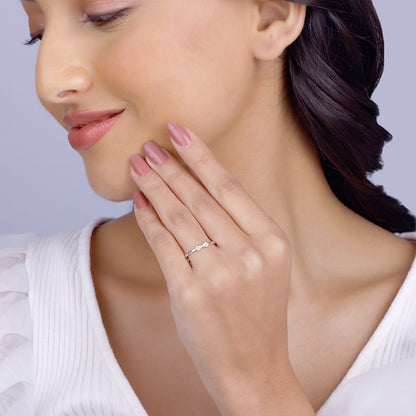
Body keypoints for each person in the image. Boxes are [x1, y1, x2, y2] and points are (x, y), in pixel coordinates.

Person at [1, 0, 416, 415]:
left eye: (105, 15)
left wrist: (258, 387)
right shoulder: (13, 322)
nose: (49, 82)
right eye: (39, 33)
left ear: (271, 15)